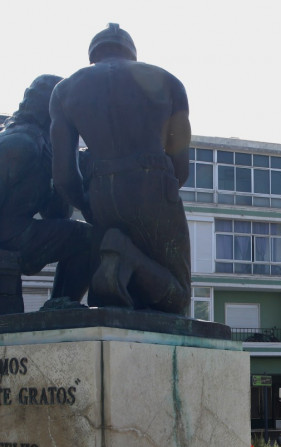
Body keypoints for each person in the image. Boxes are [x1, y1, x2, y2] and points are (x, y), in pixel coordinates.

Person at [50, 23, 192, 314]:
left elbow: (63, 177)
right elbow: (181, 165)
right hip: (154, 180)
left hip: (101, 191)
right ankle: (128, 257)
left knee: (108, 305)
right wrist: (160, 193)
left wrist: (88, 205)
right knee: (177, 299)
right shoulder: (168, 81)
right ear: (132, 54)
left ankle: (123, 262)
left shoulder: (64, 90)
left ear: (93, 56)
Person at [0, 74, 96, 304]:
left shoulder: (41, 145)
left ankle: (61, 304)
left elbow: (57, 216)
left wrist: (57, 174)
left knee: (84, 236)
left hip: (15, 232)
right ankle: (61, 303)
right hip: (0, 238)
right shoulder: (20, 143)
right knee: (90, 238)